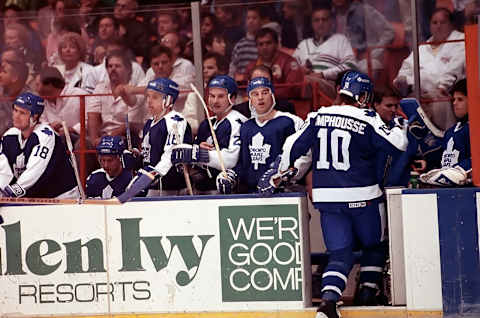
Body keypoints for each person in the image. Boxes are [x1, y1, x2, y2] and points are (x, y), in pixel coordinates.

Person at [258, 71, 408, 317]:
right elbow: (397, 145)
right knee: (376, 244)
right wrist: (399, 125)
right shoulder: (367, 117)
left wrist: (283, 172)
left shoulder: (318, 115)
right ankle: (367, 293)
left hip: (327, 197)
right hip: (363, 195)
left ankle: (328, 303)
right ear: (362, 96)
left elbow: (293, 146)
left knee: (339, 253)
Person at [216, 77, 304, 194]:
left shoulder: (289, 121)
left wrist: (281, 176)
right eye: (255, 94)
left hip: (282, 192)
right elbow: (244, 163)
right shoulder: (246, 127)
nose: (260, 97)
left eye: (265, 92)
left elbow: (301, 156)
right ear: (250, 99)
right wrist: (232, 175)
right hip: (251, 193)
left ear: (272, 95)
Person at [171, 75, 247, 194]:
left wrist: (199, 155)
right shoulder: (207, 124)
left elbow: (230, 160)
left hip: (227, 191)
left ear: (232, 98)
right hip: (201, 188)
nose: (215, 101)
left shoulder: (236, 122)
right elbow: (194, 156)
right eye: (212, 96)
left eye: (221, 96)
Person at [393, 7, 465, 130]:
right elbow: (405, 70)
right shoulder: (422, 47)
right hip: (417, 93)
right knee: (405, 105)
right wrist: (404, 81)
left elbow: (452, 72)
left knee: (440, 102)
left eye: (443, 22)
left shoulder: (461, 41)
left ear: (451, 24)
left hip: (445, 94)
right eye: (434, 23)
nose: (438, 26)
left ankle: (446, 138)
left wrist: (440, 86)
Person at [0, 92, 78, 198]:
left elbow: (35, 171)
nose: (16, 116)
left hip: (63, 196)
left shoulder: (45, 135)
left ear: (34, 116)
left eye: (22, 113)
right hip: (38, 196)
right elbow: (3, 168)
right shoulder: (10, 136)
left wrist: (12, 191)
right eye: (15, 110)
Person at [127, 78, 193, 197]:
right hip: (153, 185)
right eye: (148, 96)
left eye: (155, 97)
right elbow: (150, 154)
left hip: (171, 188)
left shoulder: (176, 121)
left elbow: (170, 156)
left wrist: (150, 175)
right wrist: (137, 156)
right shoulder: (150, 122)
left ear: (168, 100)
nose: (149, 101)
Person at [293, 3, 357, 100]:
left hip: (328, 83)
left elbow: (351, 65)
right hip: (305, 83)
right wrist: (300, 70)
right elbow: (291, 67)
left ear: (331, 22)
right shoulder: (303, 44)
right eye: (316, 20)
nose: (320, 23)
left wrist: (322, 74)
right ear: (312, 23)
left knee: (307, 81)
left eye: (324, 20)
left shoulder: (340, 39)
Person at [87, 50, 145, 148]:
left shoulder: (136, 89)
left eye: (117, 66)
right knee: (82, 144)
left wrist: (108, 138)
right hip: (103, 135)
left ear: (128, 69)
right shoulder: (100, 88)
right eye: (110, 66)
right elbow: (93, 115)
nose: (113, 69)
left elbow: (131, 124)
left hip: (127, 135)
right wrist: (94, 141)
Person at [419, 79, 471, 187]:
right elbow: (441, 156)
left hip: (469, 189)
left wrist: (460, 171)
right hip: (449, 189)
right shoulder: (451, 131)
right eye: (454, 99)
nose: (454, 103)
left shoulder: (474, 129)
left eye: (460, 99)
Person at [245, 28, 304, 100]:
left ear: (276, 44)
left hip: (284, 105)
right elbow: (245, 89)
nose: (264, 47)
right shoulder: (251, 67)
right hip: (258, 105)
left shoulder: (289, 62)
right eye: (261, 44)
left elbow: (294, 89)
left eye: (268, 43)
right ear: (256, 47)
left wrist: (266, 95)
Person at [38, 66, 87, 140]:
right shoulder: (42, 101)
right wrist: (50, 126)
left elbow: (91, 121)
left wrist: (72, 129)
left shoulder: (79, 95)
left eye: (38, 84)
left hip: (79, 140)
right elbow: (42, 124)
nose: (37, 88)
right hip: (52, 141)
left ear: (49, 84)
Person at [0, 53, 31, 136]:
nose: (0, 75)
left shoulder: (30, 98)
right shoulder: (1, 93)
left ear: (15, 77)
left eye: (4, 72)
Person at [228, 7, 262, 81]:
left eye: (254, 18)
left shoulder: (266, 43)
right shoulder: (240, 45)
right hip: (243, 85)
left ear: (261, 20)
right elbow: (232, 69)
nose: (251, 21)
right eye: (248, 18)